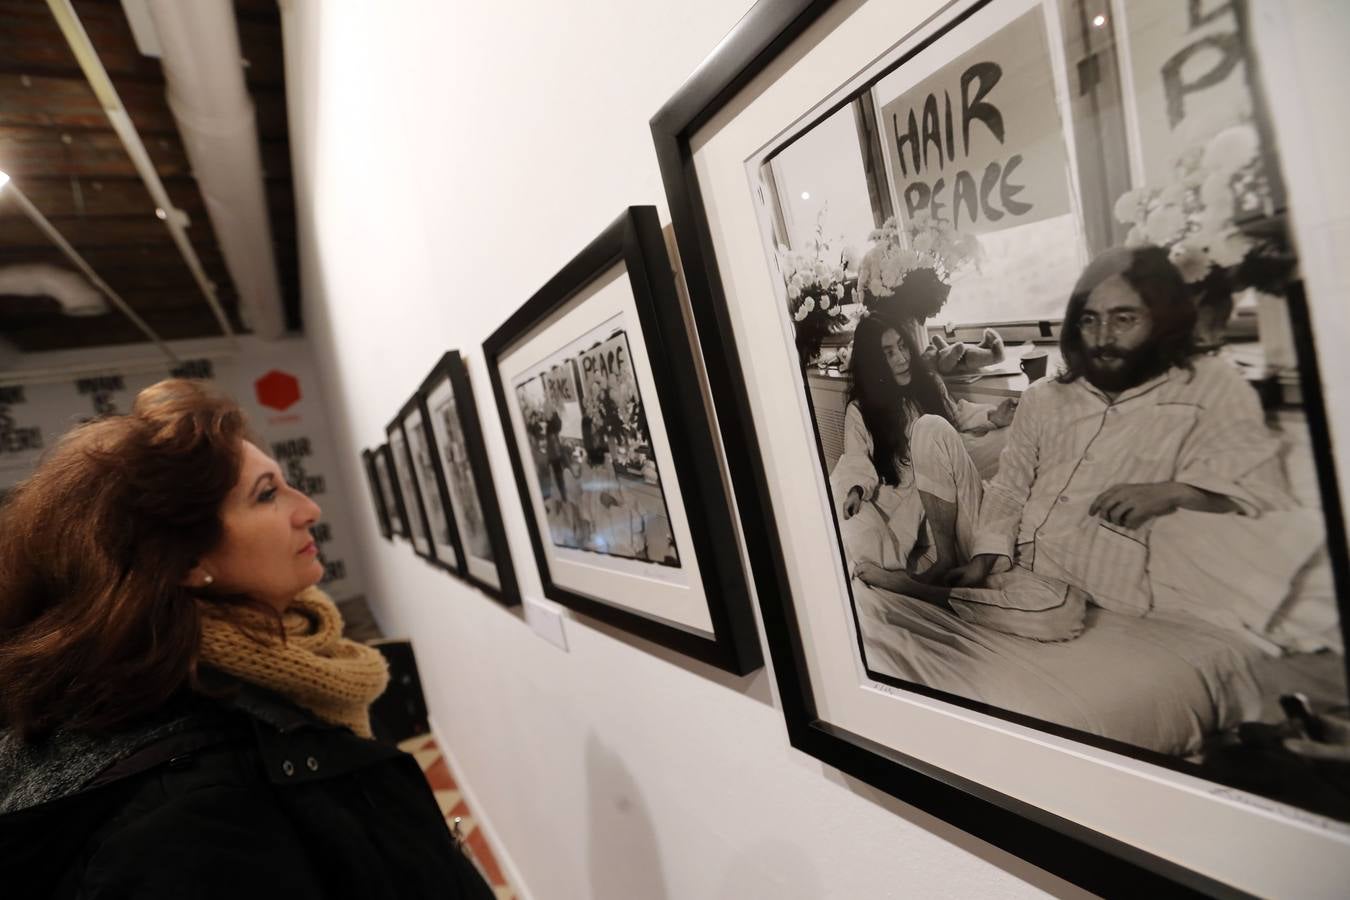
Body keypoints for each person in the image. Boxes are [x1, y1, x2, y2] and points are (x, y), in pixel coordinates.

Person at [0, 380, 494, 899]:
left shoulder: (235, 675)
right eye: (267, 495)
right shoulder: (191, 812)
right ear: (186, 559)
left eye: (286, 483)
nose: (308, 510)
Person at [914, 246, 1299, 639]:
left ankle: (929, 595)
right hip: (1001, 557)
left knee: (1056, 616)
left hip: (1084, 573)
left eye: (1124, 319)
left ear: (1159, 321)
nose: (1102, 337)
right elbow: (1010, 487)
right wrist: (981, 561)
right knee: (929, 428)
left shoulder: (1198, 392)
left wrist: (1175, 492)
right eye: (1090, 320)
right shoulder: (1044, 396)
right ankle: (959, 586)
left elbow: (1262, 491)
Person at [832, 314, 1015, 593]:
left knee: (995, 552)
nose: (903, 358)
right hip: (906, 503)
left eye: (903, 346)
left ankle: (941, 563)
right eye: (889, 353)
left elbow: (957, 416)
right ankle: (915, 572)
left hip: (946, 494)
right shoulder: (860, 409)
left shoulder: (929, 382)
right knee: (852, 535)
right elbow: (856, 458)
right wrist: (856, 489)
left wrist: (993, 416)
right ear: (873, 363)